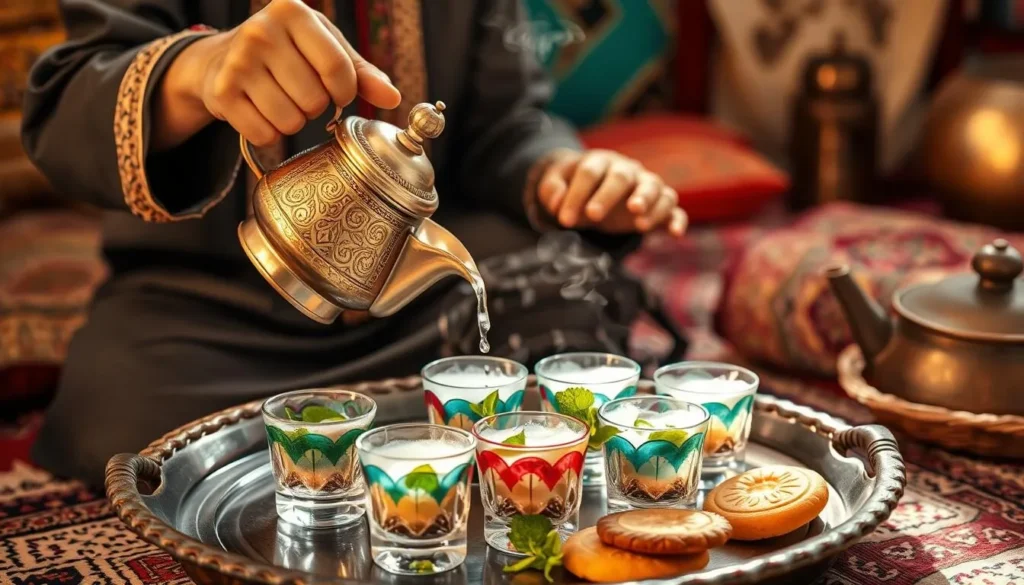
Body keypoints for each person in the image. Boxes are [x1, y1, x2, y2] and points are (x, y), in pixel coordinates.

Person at [22, 0, 687, 486]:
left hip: (421, 303)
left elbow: (506, 125)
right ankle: (429, 439)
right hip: (214, 312)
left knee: (571, 298)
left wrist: (561, 173)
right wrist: (199, 70)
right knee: (124, 407)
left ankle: (316, 448)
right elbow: (65, 105)